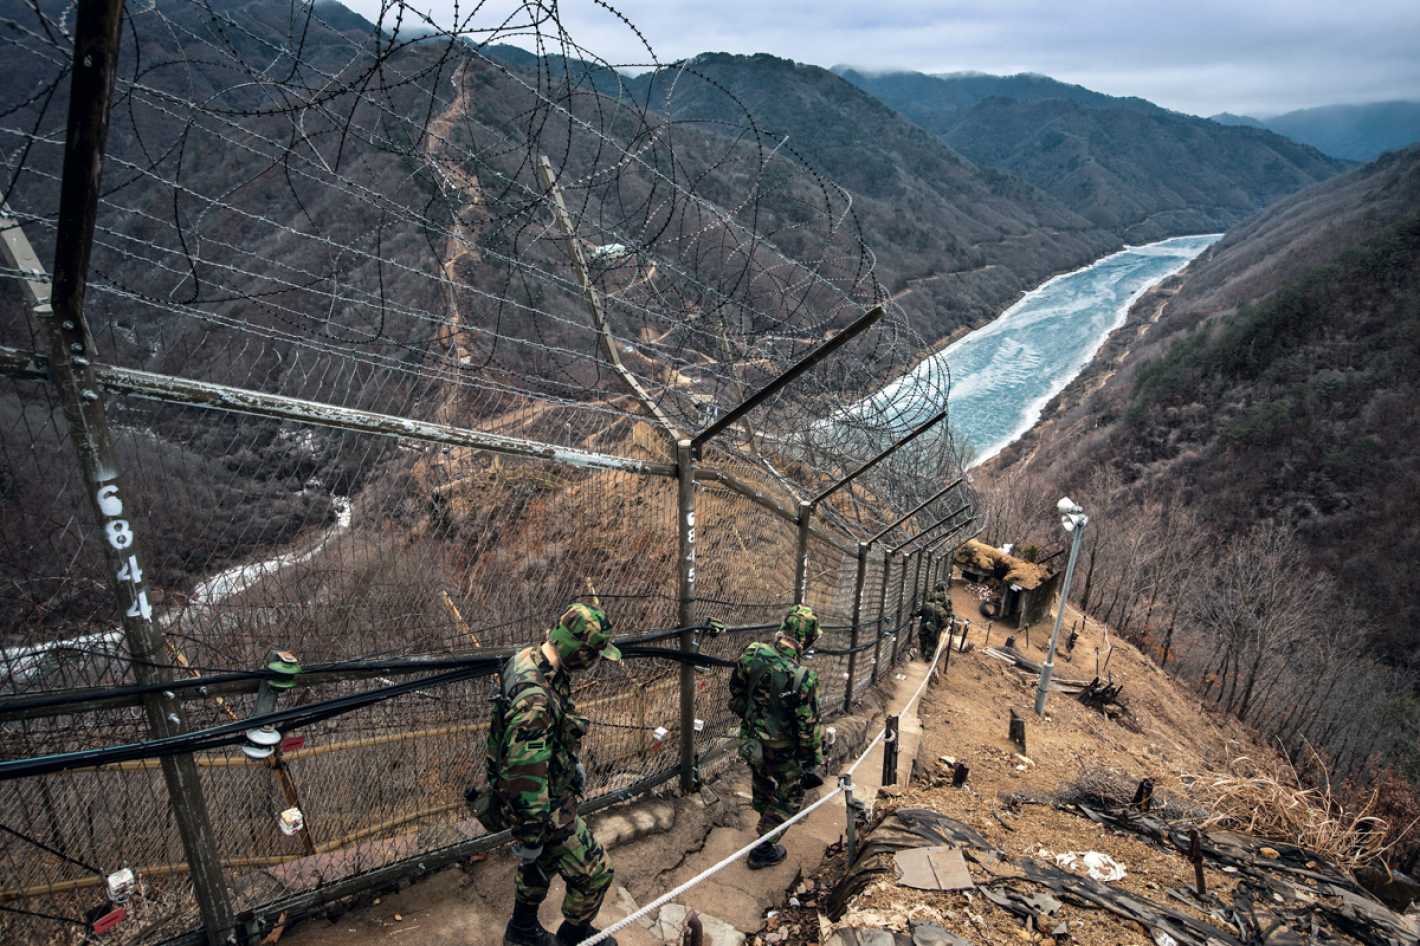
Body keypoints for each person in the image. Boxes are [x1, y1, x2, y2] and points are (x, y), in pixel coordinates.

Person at [485, 604, 623, 946]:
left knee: (539, 867)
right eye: (591, 654)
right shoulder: (536, 698)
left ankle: (521, 933)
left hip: (543, 793)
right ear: (576, 648)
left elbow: (540, 744)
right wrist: (531, 833)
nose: (593, 663)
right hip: (542, 804)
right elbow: (525, 775)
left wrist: (568, 762)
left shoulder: (531, 660)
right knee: (595, 873)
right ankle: (572, 938)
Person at [729, 604, 826, 870]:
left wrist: (753, 719)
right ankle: (764, 847)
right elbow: (807, 728)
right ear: (806, 640)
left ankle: (764, 821)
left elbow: (736, 693)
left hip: (751, 743)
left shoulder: (753, 653)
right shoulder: (803, 678)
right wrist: (810, 761)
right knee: (791, 795)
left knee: (761, 781)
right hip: (782, 752)